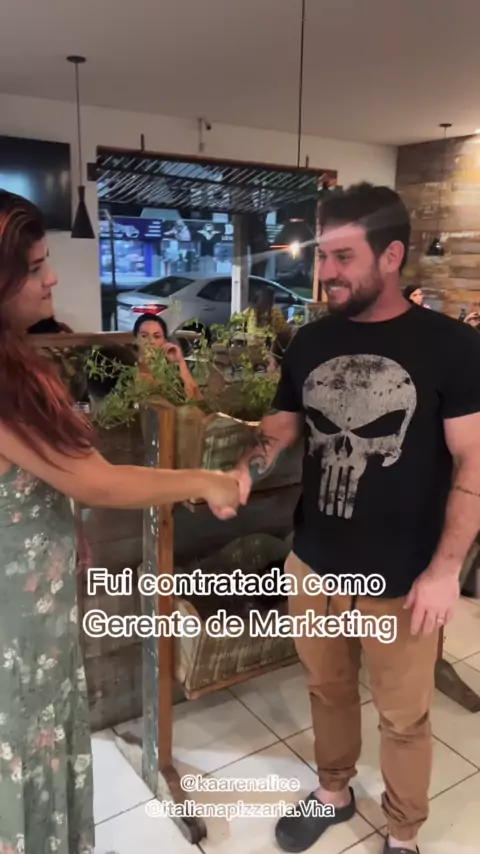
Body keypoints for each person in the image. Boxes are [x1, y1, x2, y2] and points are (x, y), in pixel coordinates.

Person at [213, 182, 480, 854]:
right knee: (326, 689)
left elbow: (475, 462)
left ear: (390, 257)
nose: (325, 272)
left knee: (403, 716)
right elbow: (282, 427)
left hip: (403, 578)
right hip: (315, 563)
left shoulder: (453, 346)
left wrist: (446, 571)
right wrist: (243, 470)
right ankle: (334, 792)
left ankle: (403, 833)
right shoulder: (311, 341)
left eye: (342, 257)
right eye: (322, 256)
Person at [0, 190, 241, 854]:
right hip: (13, 624)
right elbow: (97, 477)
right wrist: (206, 480)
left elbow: (48, 475)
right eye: (35, 267)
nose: (53, 278)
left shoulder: (21, 358)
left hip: (34, 608)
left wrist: (65, 521)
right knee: (20, 745)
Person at [133, 312, 202, 400]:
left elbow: (198, 400)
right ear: (135, 340)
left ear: (165, 342)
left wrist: (180, 362)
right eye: (144, 336)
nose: (151, 341)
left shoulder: (171, 372)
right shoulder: (128, 369)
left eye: (156, 336)